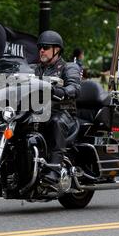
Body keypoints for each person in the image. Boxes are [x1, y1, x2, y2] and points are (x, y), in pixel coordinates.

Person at [34, 31, 81, 185]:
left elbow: (75, 87)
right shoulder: (34, 69)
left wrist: (63, 91)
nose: (42, 50)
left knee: (55, 122)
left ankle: (54, 168)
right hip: (39, 111)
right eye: (40, 47)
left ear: (57, 50)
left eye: (46, 47)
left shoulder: (69, 67)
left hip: (64, 112)